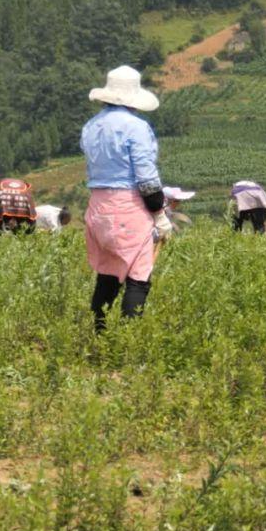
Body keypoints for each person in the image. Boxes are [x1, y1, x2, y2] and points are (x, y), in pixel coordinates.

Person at [80, 65, 172, 332]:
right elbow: (147, 179)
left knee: (108, 273)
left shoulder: (91, 126)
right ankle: (129, 341)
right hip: (128, 209)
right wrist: (159, 214)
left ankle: (99, 334)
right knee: (138, 277)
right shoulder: (137, 127)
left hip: (98, 208)